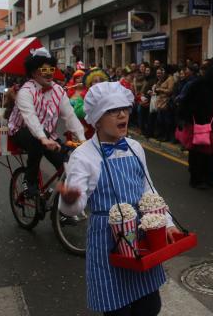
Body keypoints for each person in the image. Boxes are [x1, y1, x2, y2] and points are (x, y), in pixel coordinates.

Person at [58, 82, 179, 315]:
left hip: (141, 238)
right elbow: (74, 208)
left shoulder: (135, 147)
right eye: (113, 110)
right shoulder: (84, 157)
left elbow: (148, 189)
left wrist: (169, 225)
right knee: (117, 311)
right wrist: (71, 200)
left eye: (124, 108)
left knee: (150, 306)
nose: (122, 114)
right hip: (107, 243)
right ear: (97, 119)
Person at [8, 47, 86, 198]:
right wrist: (43, 138)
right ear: (33, 72)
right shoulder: (26, 92)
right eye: (44, 70)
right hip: (21, 131)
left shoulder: (58, 90)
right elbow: (31, 119)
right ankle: (29, 182)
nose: (49, 73)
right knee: (37, 141)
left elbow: (70, 116)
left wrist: (82, 139)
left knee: (67, 161)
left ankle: (59, 204)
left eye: (51, 68)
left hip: (48, 135)